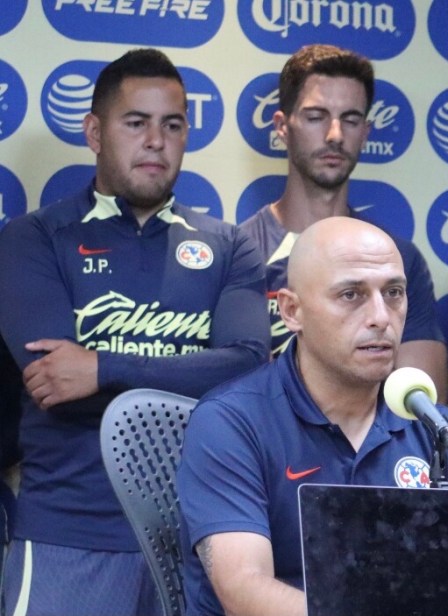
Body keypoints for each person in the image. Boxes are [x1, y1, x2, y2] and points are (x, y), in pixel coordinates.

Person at [0, 48, 270, 615]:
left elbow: (248, 370)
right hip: (71, 534)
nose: (155, 141)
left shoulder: (229, 246)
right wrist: (196, 380)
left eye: (172, 125)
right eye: (135, 123)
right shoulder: (33, 239)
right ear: (95, 132)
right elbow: (55, 387)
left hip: (200, 539)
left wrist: (103, 368)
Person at [177, 217, 448, 616]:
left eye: (394, 293)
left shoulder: (437, 428)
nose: (381, 317)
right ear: (292, 311)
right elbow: (244, 590)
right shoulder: (231, 422)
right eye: (351, 295)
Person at [240, 44, 448, 400]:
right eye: (316, 117)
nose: (335, 134)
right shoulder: (240, 252)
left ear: (365, 132)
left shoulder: (397, 259)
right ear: (282, 126)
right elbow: (231, 390)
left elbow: (425, 404)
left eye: (350, 120)